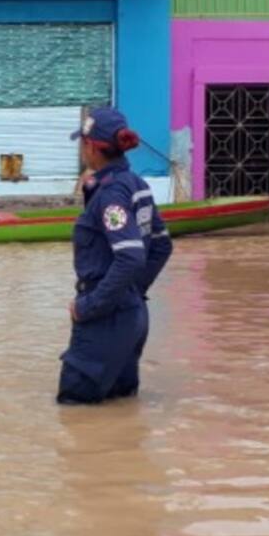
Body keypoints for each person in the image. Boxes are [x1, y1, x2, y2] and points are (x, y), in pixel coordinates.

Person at [58, 106, 173, 405]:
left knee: (75, 414)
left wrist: (89, 306)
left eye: (83, 144)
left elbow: (131, 257)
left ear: (92, 148)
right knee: (119, 414)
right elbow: (161, 245)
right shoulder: (137, 186)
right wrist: (134, 292)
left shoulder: (111, 195)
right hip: (131, 317)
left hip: (105, 319)